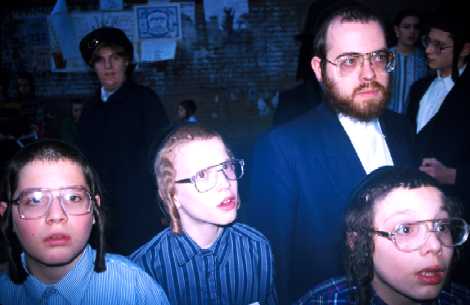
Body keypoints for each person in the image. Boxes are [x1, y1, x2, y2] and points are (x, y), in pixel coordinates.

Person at [245, 4, 418, 303]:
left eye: (378, 57)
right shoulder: (282, 149)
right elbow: (272, 269)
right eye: (349, 61)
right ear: (319, 69)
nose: (369, 74)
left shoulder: (403, 130)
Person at [0, 140, 170, 305]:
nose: (56, 215)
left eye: (73, 197)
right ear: (7, 214)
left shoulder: (136, 291)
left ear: (94, 209)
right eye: (35, 200)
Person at [130, 124, 277, 305]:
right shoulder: (142, 271)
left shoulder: (256, 248)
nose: (225, 183)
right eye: (202, 175)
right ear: (172, 195)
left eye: (227, 166)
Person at [295, 166, 470, 305]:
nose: (435, 246)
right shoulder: (324, 301)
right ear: (357, 242)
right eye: (405, 229)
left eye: (441, 226)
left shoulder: (461, 298)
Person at [78, 27, 170, 254]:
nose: (108, 66)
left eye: (115, 58)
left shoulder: (145, 102)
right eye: (100, 60)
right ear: (93, 67)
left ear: (126, 62)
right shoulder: (89, 109)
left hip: (140, 210)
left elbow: (164, 156)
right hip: (102, 215)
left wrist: (165, 207)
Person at [388, 9, 429, 114]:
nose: (412, 31)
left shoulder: (425, 58)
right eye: (406, 27)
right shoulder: (385, 57)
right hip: (387, 118)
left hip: (414, 120)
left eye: (416, 27)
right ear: (397, 30)